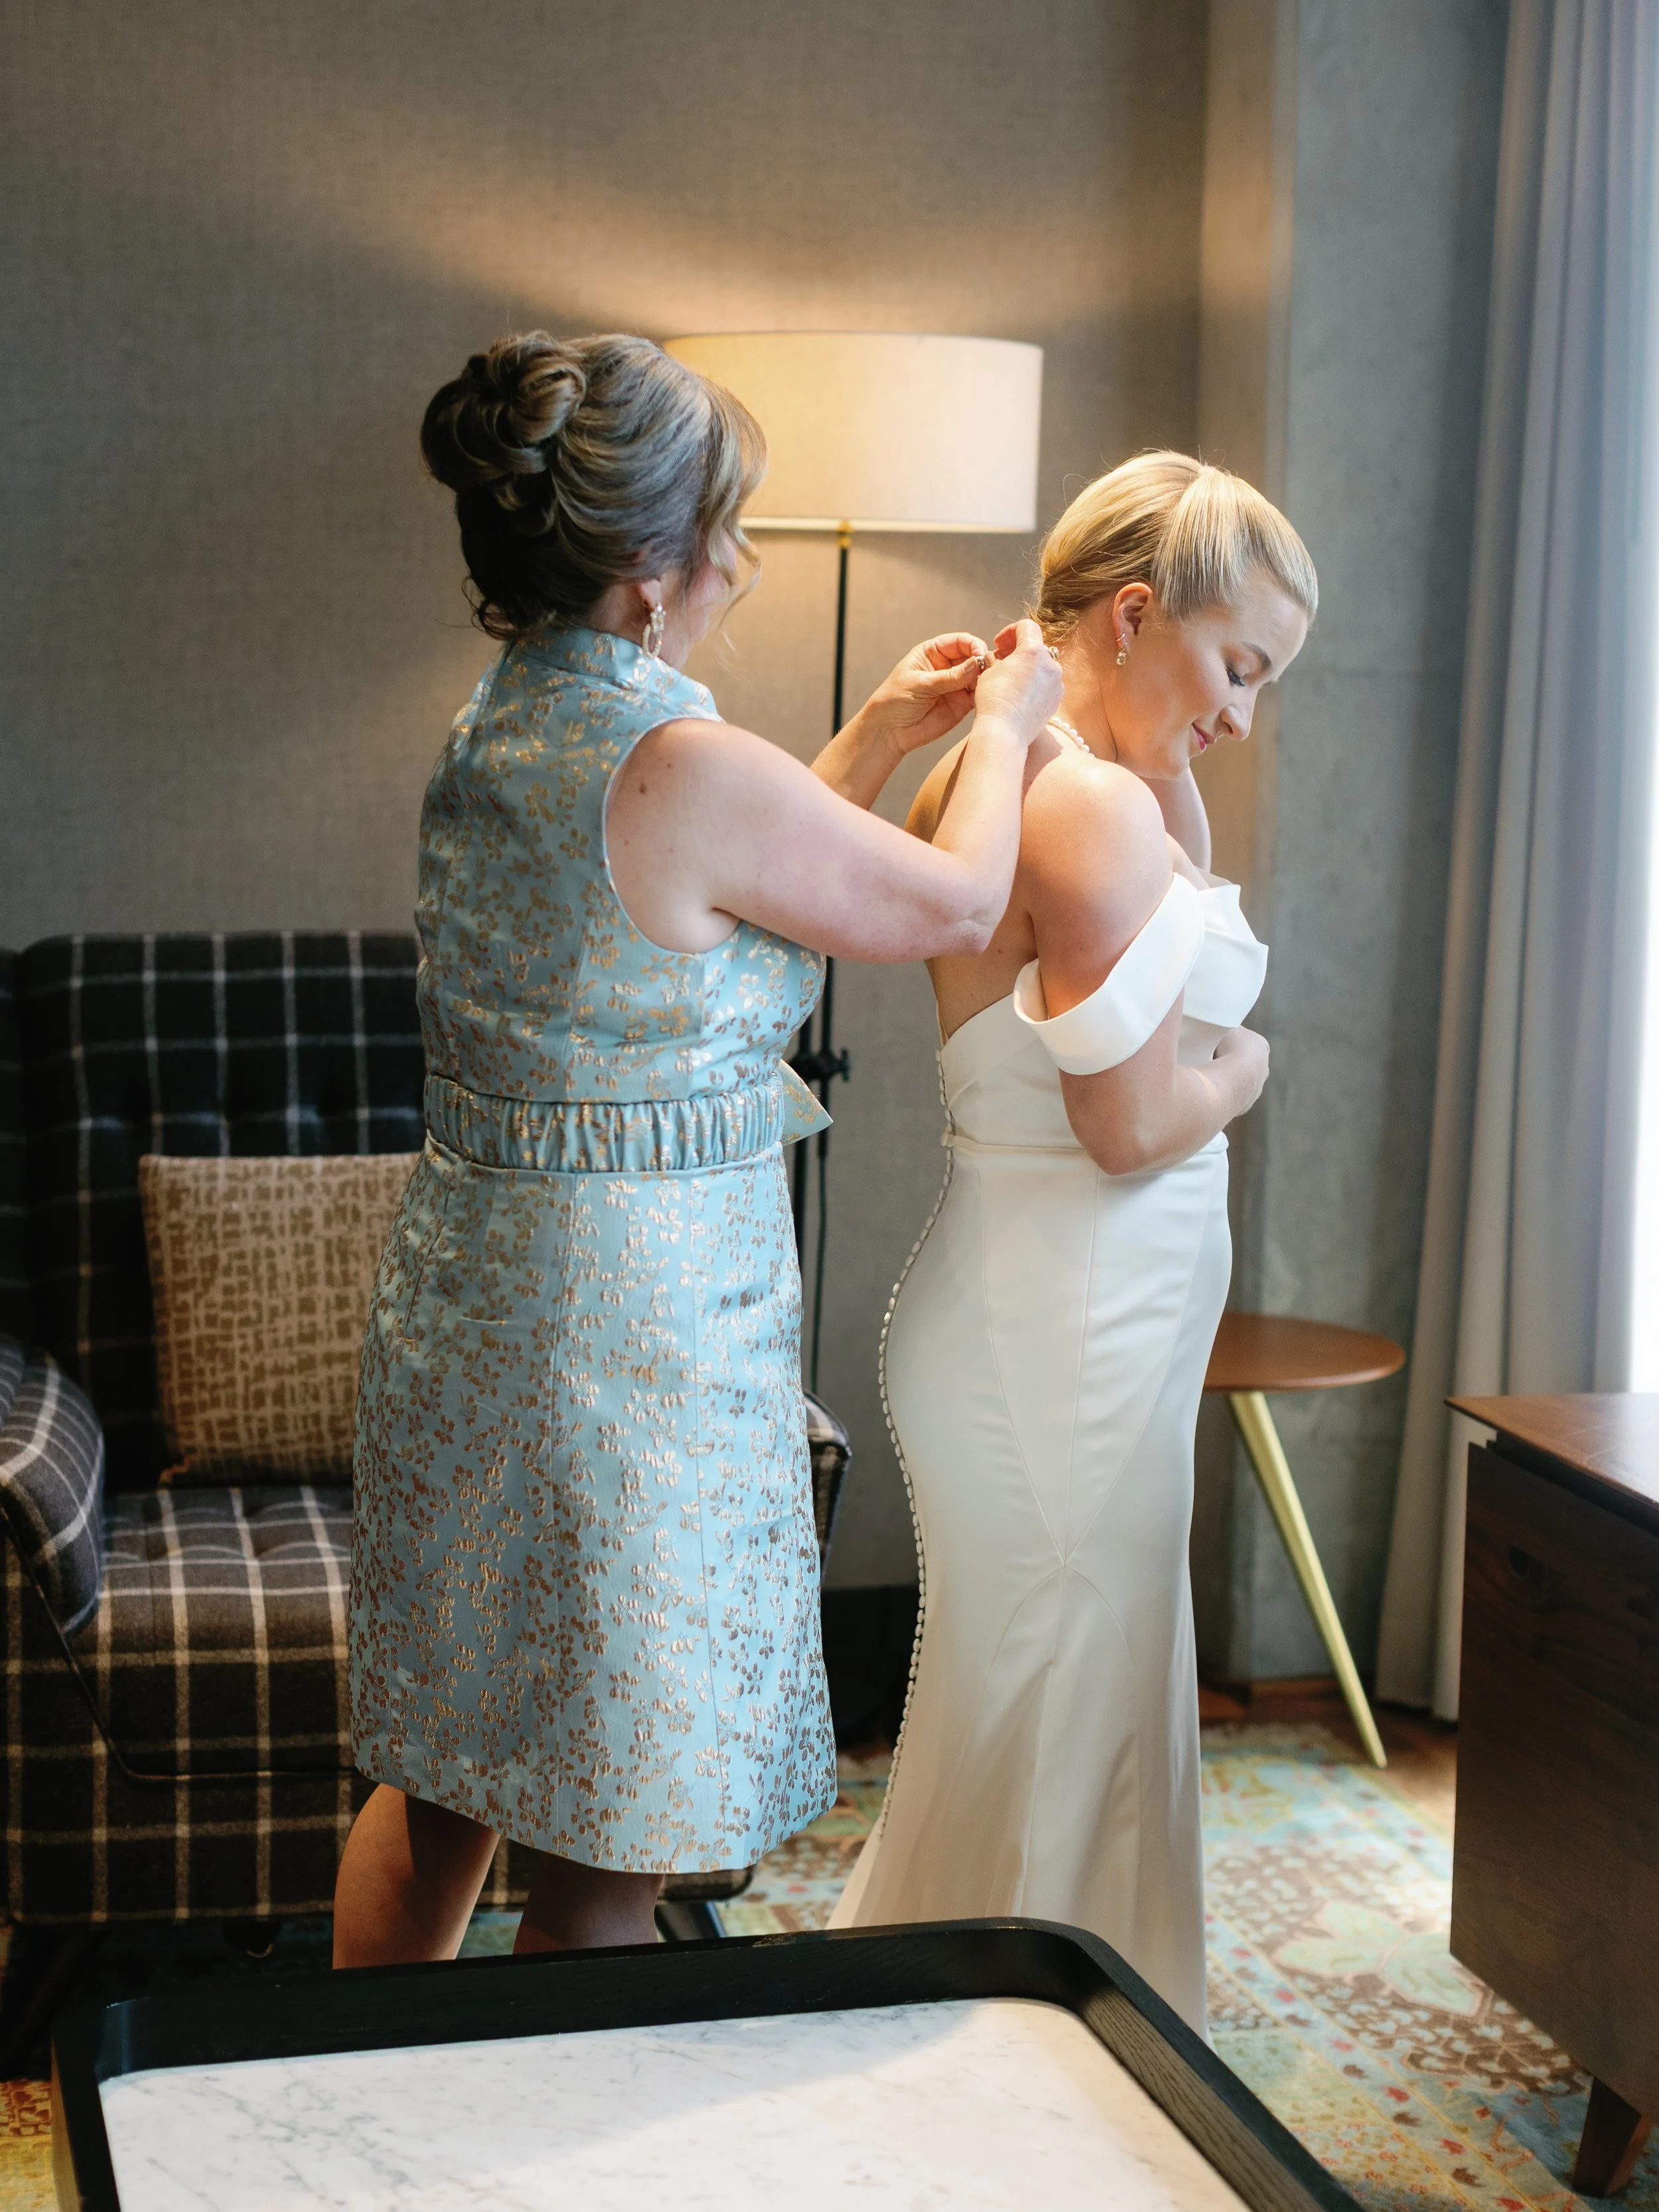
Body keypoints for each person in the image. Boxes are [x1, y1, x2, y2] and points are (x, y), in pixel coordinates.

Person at [334, 331, 1062, 1966]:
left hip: (469, 1305)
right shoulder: (680, 760)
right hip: (626, 1339)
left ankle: (363, 2117)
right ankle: (539, 2150)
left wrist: (876, 730)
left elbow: (688, 900)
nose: (743, 557)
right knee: (621, 1808)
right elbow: (943, 902)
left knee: (446, 1767)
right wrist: (1006, 731)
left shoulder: (501, 722)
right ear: (650, 575)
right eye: (727, 527)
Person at [828, 452, 1316, 2037]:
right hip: (1064, 1325)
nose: (1241, 714)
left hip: (1059, 1313)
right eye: (1235, 665)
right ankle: (1019, 2076)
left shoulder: (1036, 775)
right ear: (1129, 614)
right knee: (1055, 1719)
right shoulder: (1082, 803)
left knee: (1055, 1703)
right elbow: (1129, 1120)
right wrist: (1249, 1072)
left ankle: (1051, 2053)